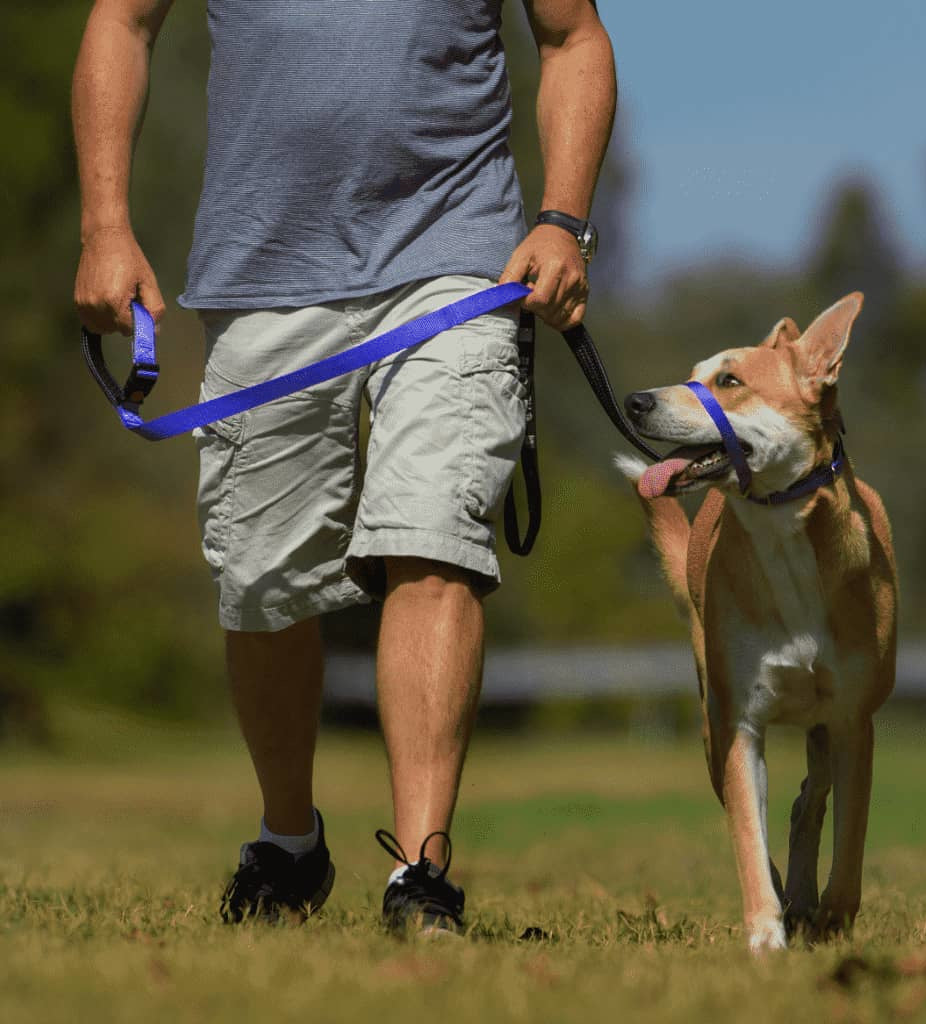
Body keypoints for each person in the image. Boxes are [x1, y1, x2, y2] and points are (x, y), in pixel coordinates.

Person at [72, 0, 615, 934]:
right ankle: (289, 845)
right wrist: (105, 227)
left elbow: (573, 37)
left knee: (435, 537)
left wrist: (563, 218)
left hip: (457, 257)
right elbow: (120, 22)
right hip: (264, 264)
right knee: (262, 581)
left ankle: (420, 873)